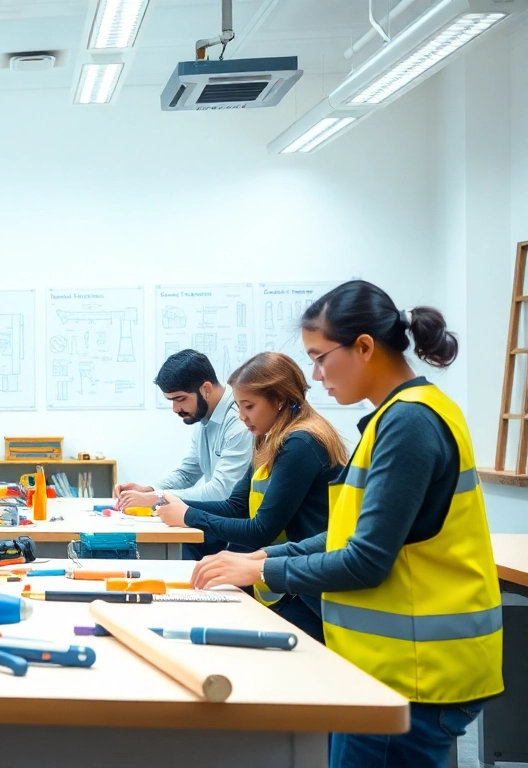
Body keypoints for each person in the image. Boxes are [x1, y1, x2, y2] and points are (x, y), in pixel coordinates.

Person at [190, 281, 501, 768]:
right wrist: (266, 555)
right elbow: (348, 535)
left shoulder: (409, 423)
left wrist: (264, 570)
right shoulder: (396, 417)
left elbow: (366, 560)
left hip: (416, 671)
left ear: (364, 347)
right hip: (395, 668)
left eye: (320, 357)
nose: (315, 376)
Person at [151, 352, 347, 642]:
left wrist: (189, 516)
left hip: (307, 585)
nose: (241, 416)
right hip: (285, 576)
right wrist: (177, 508)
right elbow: (235, 506)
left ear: (279, 400)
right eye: (240, 405)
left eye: (249, 406)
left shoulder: (300, 443)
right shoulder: (267, 438)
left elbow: (261, 530)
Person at [115, 349, 253, 557]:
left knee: (173, 548)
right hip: (219, 522)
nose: (175, 408)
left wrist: (157, 498)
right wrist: (149, 489)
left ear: (206, 389)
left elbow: (222, 492)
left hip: (240, 532)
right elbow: (188, 473)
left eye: (180, 398)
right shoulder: (204, 417)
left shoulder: (238, 421)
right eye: (171, 400)